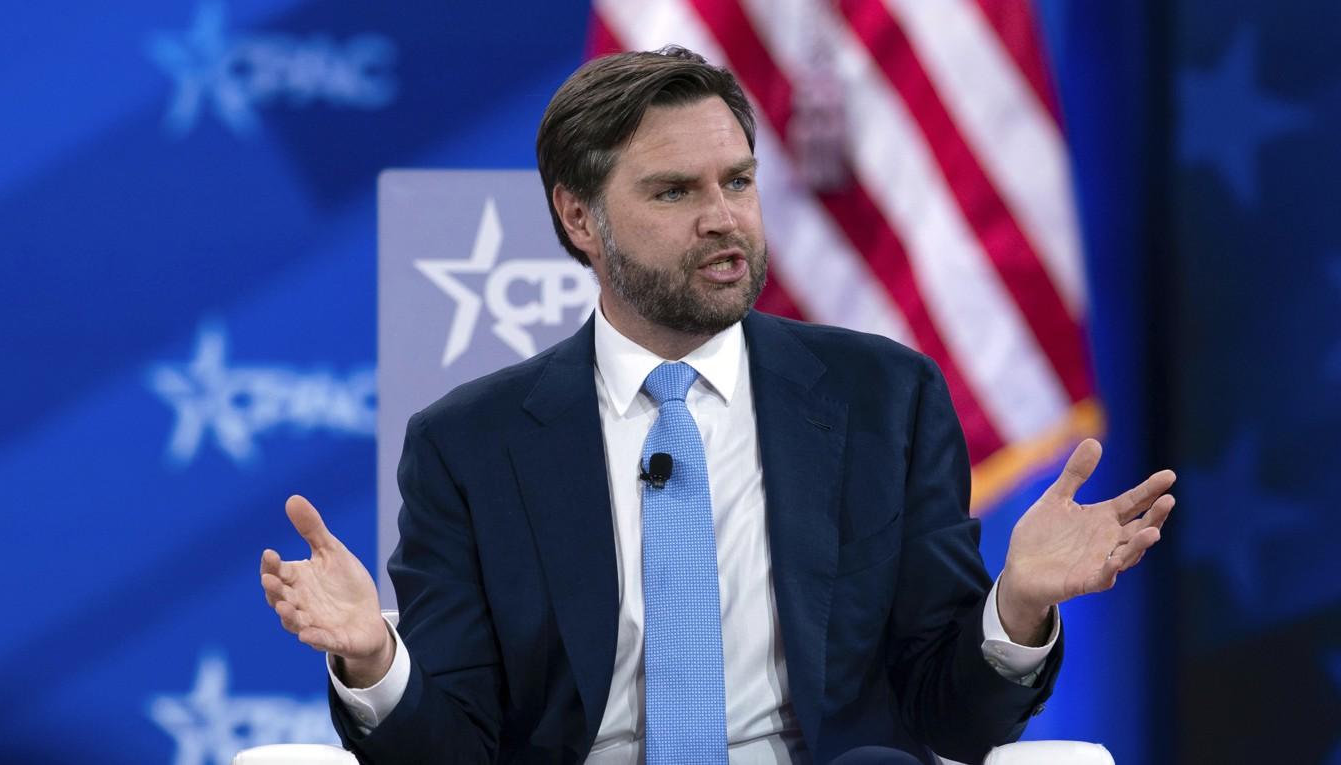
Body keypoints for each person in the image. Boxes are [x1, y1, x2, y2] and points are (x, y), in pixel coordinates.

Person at [259, 46, 1175, 765]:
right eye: (674, 191)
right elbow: (451, 747)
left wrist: (1015, 607)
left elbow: (952, 713)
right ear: (579, 218)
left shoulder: (883, 399)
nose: (723, 218)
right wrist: (376, 662)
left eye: (737, 182)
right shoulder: (469, 444)